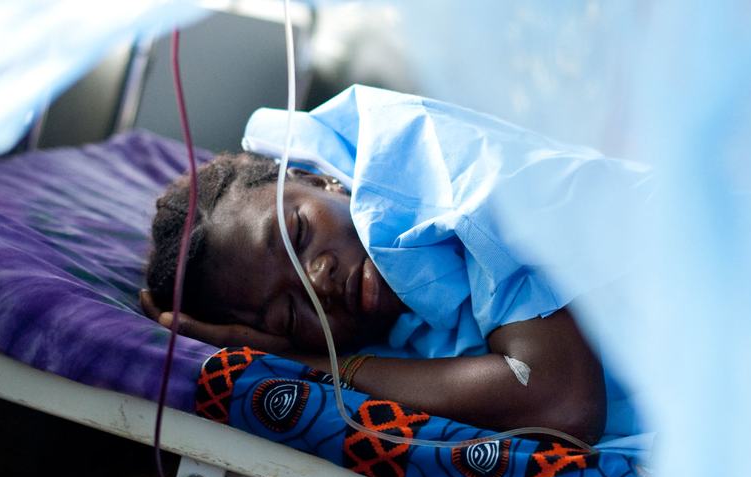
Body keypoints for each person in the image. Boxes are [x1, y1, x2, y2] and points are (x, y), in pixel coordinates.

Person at [140, 152, 608, 443]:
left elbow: (558, 400)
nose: (316, 281)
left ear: (318, 179)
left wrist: (316, 366)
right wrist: (287, 356)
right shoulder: (396, 337)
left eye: (298, 231)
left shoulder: (442, 175)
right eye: (286, 314)